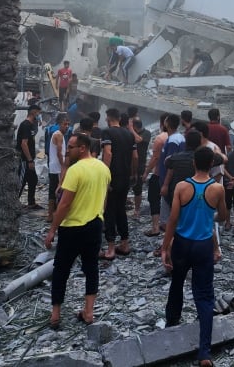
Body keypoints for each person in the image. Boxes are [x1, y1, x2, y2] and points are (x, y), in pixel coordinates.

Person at [161, 146, 227, 367]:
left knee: (177, 282)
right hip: (203, 246)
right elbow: (223, 216)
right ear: (211, 165)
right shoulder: (217, 189)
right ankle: (205, 352)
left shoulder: (182, 186)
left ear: (193, 163)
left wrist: (164, 246)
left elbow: (172, 219)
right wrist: (209, 214)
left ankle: (171, 325)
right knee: (205, 295)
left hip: (181, 243)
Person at [44, 133, 110, 329]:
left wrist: (52, 230)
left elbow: (64, 204)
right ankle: (88, 312)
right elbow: (104, 198)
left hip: (72, 227)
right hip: (95, 224)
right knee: (91, 269)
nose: (67, 151)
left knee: (61, 270)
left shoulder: (75, 170)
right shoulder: (103, 168)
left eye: (71, 147)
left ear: (83, 148)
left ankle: (55, 314)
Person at [100, 108, 138, 260]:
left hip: (112, 177)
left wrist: (104, 175)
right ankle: (124, 243)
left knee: (109, 209)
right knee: (121, 209)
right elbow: (135, 156)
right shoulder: (129, 134)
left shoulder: (107, 132)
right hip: (125, 177)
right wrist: (134, 174)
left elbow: (107, 153)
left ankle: (110, 248)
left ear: (109, 118)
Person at [157, 114, 185, 232]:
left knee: (167, 220)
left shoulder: (174, 141)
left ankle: (170, 245)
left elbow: (171, 164)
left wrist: (165, 185)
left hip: (171, 183)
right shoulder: (177, 138)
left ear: (167, 124)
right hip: (173, 182)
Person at [143, 113, 169, 236]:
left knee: (154, 199)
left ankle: (155, 227)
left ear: (163, 123)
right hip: (173, 175)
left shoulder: (160, 138)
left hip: (159, 174)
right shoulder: (180, 138)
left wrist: (146, 172)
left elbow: (155, 158)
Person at [17, 104, 42, 210]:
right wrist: (29, 160)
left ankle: (31, 202)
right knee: (21, 181)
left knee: (33, 180)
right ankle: (13, 202)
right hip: (24, 159)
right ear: (33, 112)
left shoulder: (32, 125)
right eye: (38, 113)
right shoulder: (25, 125)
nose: (39, 115)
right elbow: (24, 144)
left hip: (30, 158)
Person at [47, 114, 69, 223]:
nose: (67, 126)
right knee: (57, 190)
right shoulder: (59, 135)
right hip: (57, 168)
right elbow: (59, 153)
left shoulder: (59, 134)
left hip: (55, 167)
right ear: (60, 124)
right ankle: (52, 215)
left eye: (68, 124)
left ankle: (52, 214)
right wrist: (64, 165)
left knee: (54, 190)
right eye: (65, 124)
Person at [131, 118, 151, 219]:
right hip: (128, 164)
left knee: (137, 188)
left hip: (140, 165)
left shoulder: (146, 133)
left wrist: (131, 129)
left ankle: (137, 210)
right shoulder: (130, 133)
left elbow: (138, 139)